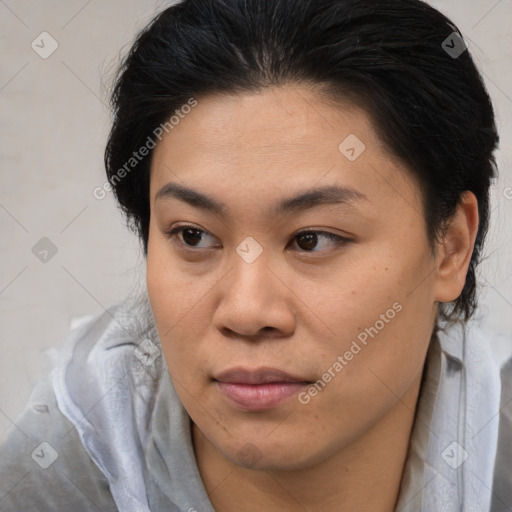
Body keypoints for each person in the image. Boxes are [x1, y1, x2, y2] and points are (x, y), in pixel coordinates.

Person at [1, 0, 511, 510]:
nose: (246, 312)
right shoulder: (52, 475)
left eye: (311, 239)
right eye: (193, 236)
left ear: (450, 247)